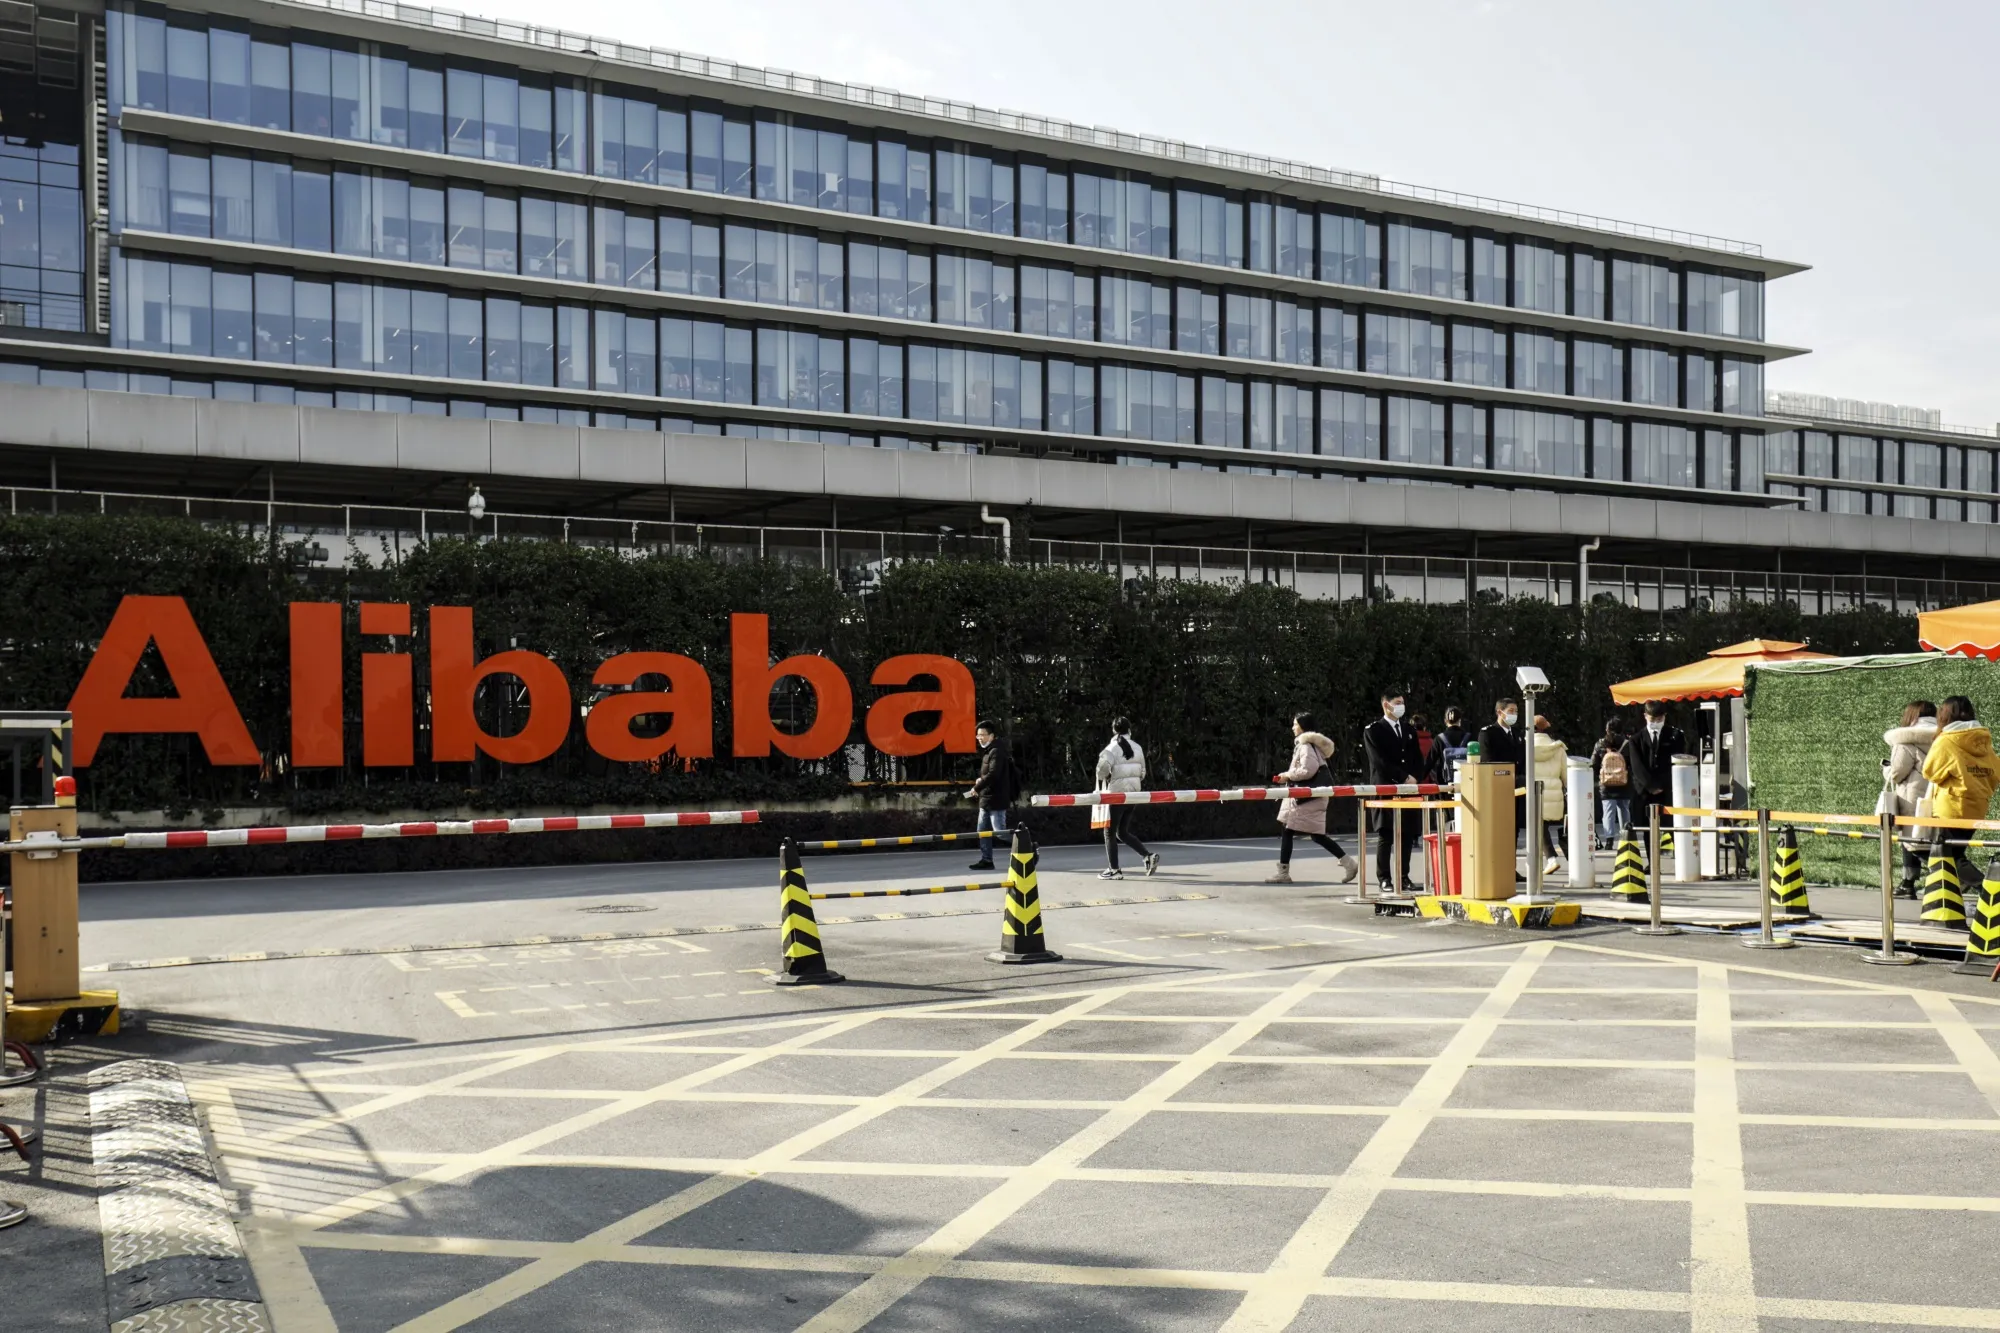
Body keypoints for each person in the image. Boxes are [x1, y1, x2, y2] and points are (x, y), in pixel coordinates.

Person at [1265, 712, 1360, 885]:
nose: (1293, 727)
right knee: (1314, 835)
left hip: (1306, 798)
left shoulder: (1305, 746)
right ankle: (1348, 863)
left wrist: (1287, 775)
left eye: (1295, 724)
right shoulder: (1312, 745)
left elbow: (1308, 770)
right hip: (1312, 798)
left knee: (1291, 831)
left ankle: (1283, 873)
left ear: (1303, 726)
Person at [1920, 695, 1997, 896]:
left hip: (1951, 806)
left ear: (1944, 715)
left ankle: (1988, 891)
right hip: (1978, 806)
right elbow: (1994, 772)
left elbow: (1929, 771)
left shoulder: (1946, 740)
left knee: (1950, 856)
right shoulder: (1983, 740)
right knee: (1956, 852)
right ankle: (1960, 893)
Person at [1363, 690, 1425, 892]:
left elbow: (1417, 758)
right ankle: (1384, 878)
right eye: (1397, 702)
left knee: (1407, 834)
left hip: (1409, 788)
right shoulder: (1373, 730)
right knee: (1386, 834)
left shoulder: (1408, 729)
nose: (1401, 706)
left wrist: (1415, 777)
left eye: (1402, 702)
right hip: (1386, 787)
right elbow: (1379, 761)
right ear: (1386, 705)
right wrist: (1402, 777)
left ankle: (1403, 876)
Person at [1883, 700, 1938, 898]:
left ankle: (1956, 877)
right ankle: (1907, 883)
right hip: (1936, 796)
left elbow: (1896, 773)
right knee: (1926, 840)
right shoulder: (1942, 738)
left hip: (1912, 798)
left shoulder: (1905, 740)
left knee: (1912, 842)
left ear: (1911, 716)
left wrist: (1886, 769)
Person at [1095, 717, 1158, 880]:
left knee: (1109, 832)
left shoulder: (1110, 749)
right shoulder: (1138, 747)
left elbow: (1101, 772)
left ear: (1114, 730)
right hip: (1133, 795)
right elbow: (1142, 773)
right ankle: (1147, 856)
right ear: (1129, 730)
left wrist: (1109, 776)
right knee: (1121, 832)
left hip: (1117, 796)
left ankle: (1114, 869)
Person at [965, 719, 1017, 870]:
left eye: (983, 735)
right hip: (986, 798)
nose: (979, 738)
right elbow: (988, 774)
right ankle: (986, 860)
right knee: (982, 832)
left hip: (997, 799)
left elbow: (994, 774)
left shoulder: (997, 751)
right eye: (978, 735)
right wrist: (980, 781)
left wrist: (977, 787)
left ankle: (1027, 846)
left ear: (992, 736)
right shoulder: (989, 751)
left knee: (1000, 832)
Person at [1631, 701, 1687, 832]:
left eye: (1659, 719)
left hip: (1666, 791)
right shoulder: (1636, 739)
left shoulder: (1675, 736)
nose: (1656, 722)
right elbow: (1637, 767)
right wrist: (1651, 786)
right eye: (1652, 719)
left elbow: (1677, 762)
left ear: (1665, 716)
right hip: (1644, 792)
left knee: (1669, 829)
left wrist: (1662, 784)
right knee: (1648, 830)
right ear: (1645, 716)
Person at [1531, 715, 1569, 875]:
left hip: (1533, 792)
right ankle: (1548, 859)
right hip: (1554, 794)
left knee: (1538, 826)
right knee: (1541, 826)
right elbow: (1566, 775)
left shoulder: (1525, 746)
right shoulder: (1558, 749)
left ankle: (1550, 859)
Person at [1591, 718, 1638, 846]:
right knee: (1624, 809)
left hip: (1606, 784)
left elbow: (1594, 763)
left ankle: (1609, 840)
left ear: (1607, 729)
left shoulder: (1600, 744)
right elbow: (1633, 763)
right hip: (1624, 782)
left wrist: (1602, 775)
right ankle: (1626, 836)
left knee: (1608, 811)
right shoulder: (1627, 744)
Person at [1428, 707, 1473, 786]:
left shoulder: (1439, 739)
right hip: (1466, 783)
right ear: (1460, 720)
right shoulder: (1469, 737)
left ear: (1445, 721)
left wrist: (1418, 779)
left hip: (1445, 784)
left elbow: (1430, 762)